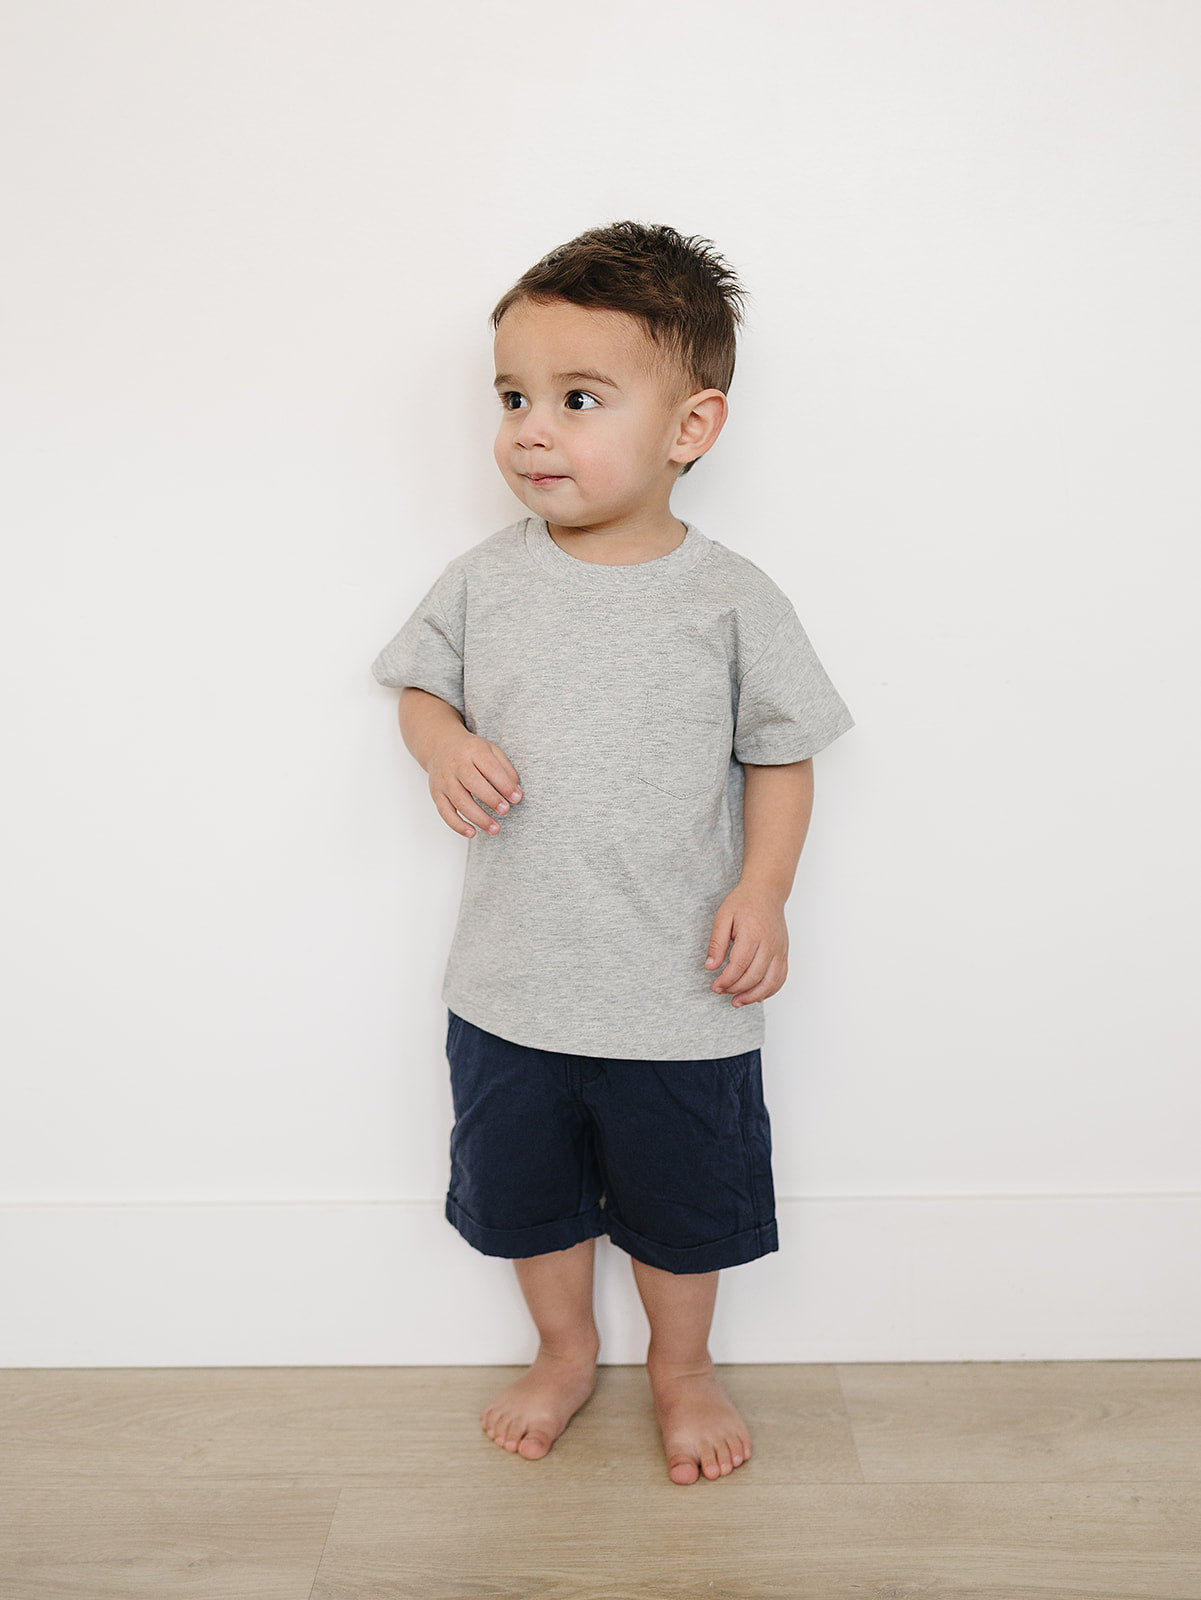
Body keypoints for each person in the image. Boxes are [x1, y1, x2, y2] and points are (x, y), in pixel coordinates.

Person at [371, 220, 854, 1485]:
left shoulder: (730, 599)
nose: (531, 431)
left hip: (677, 994)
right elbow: (415, 686)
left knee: (681, 1207)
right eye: (513, 398)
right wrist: (441, 744)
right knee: (529, 1196)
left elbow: (783, 752)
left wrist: (764, 890)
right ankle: (565, 1347)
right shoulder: (483, 580)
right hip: (515, 985)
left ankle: (683, 1368)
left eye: (577, 400)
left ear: (690, 427)